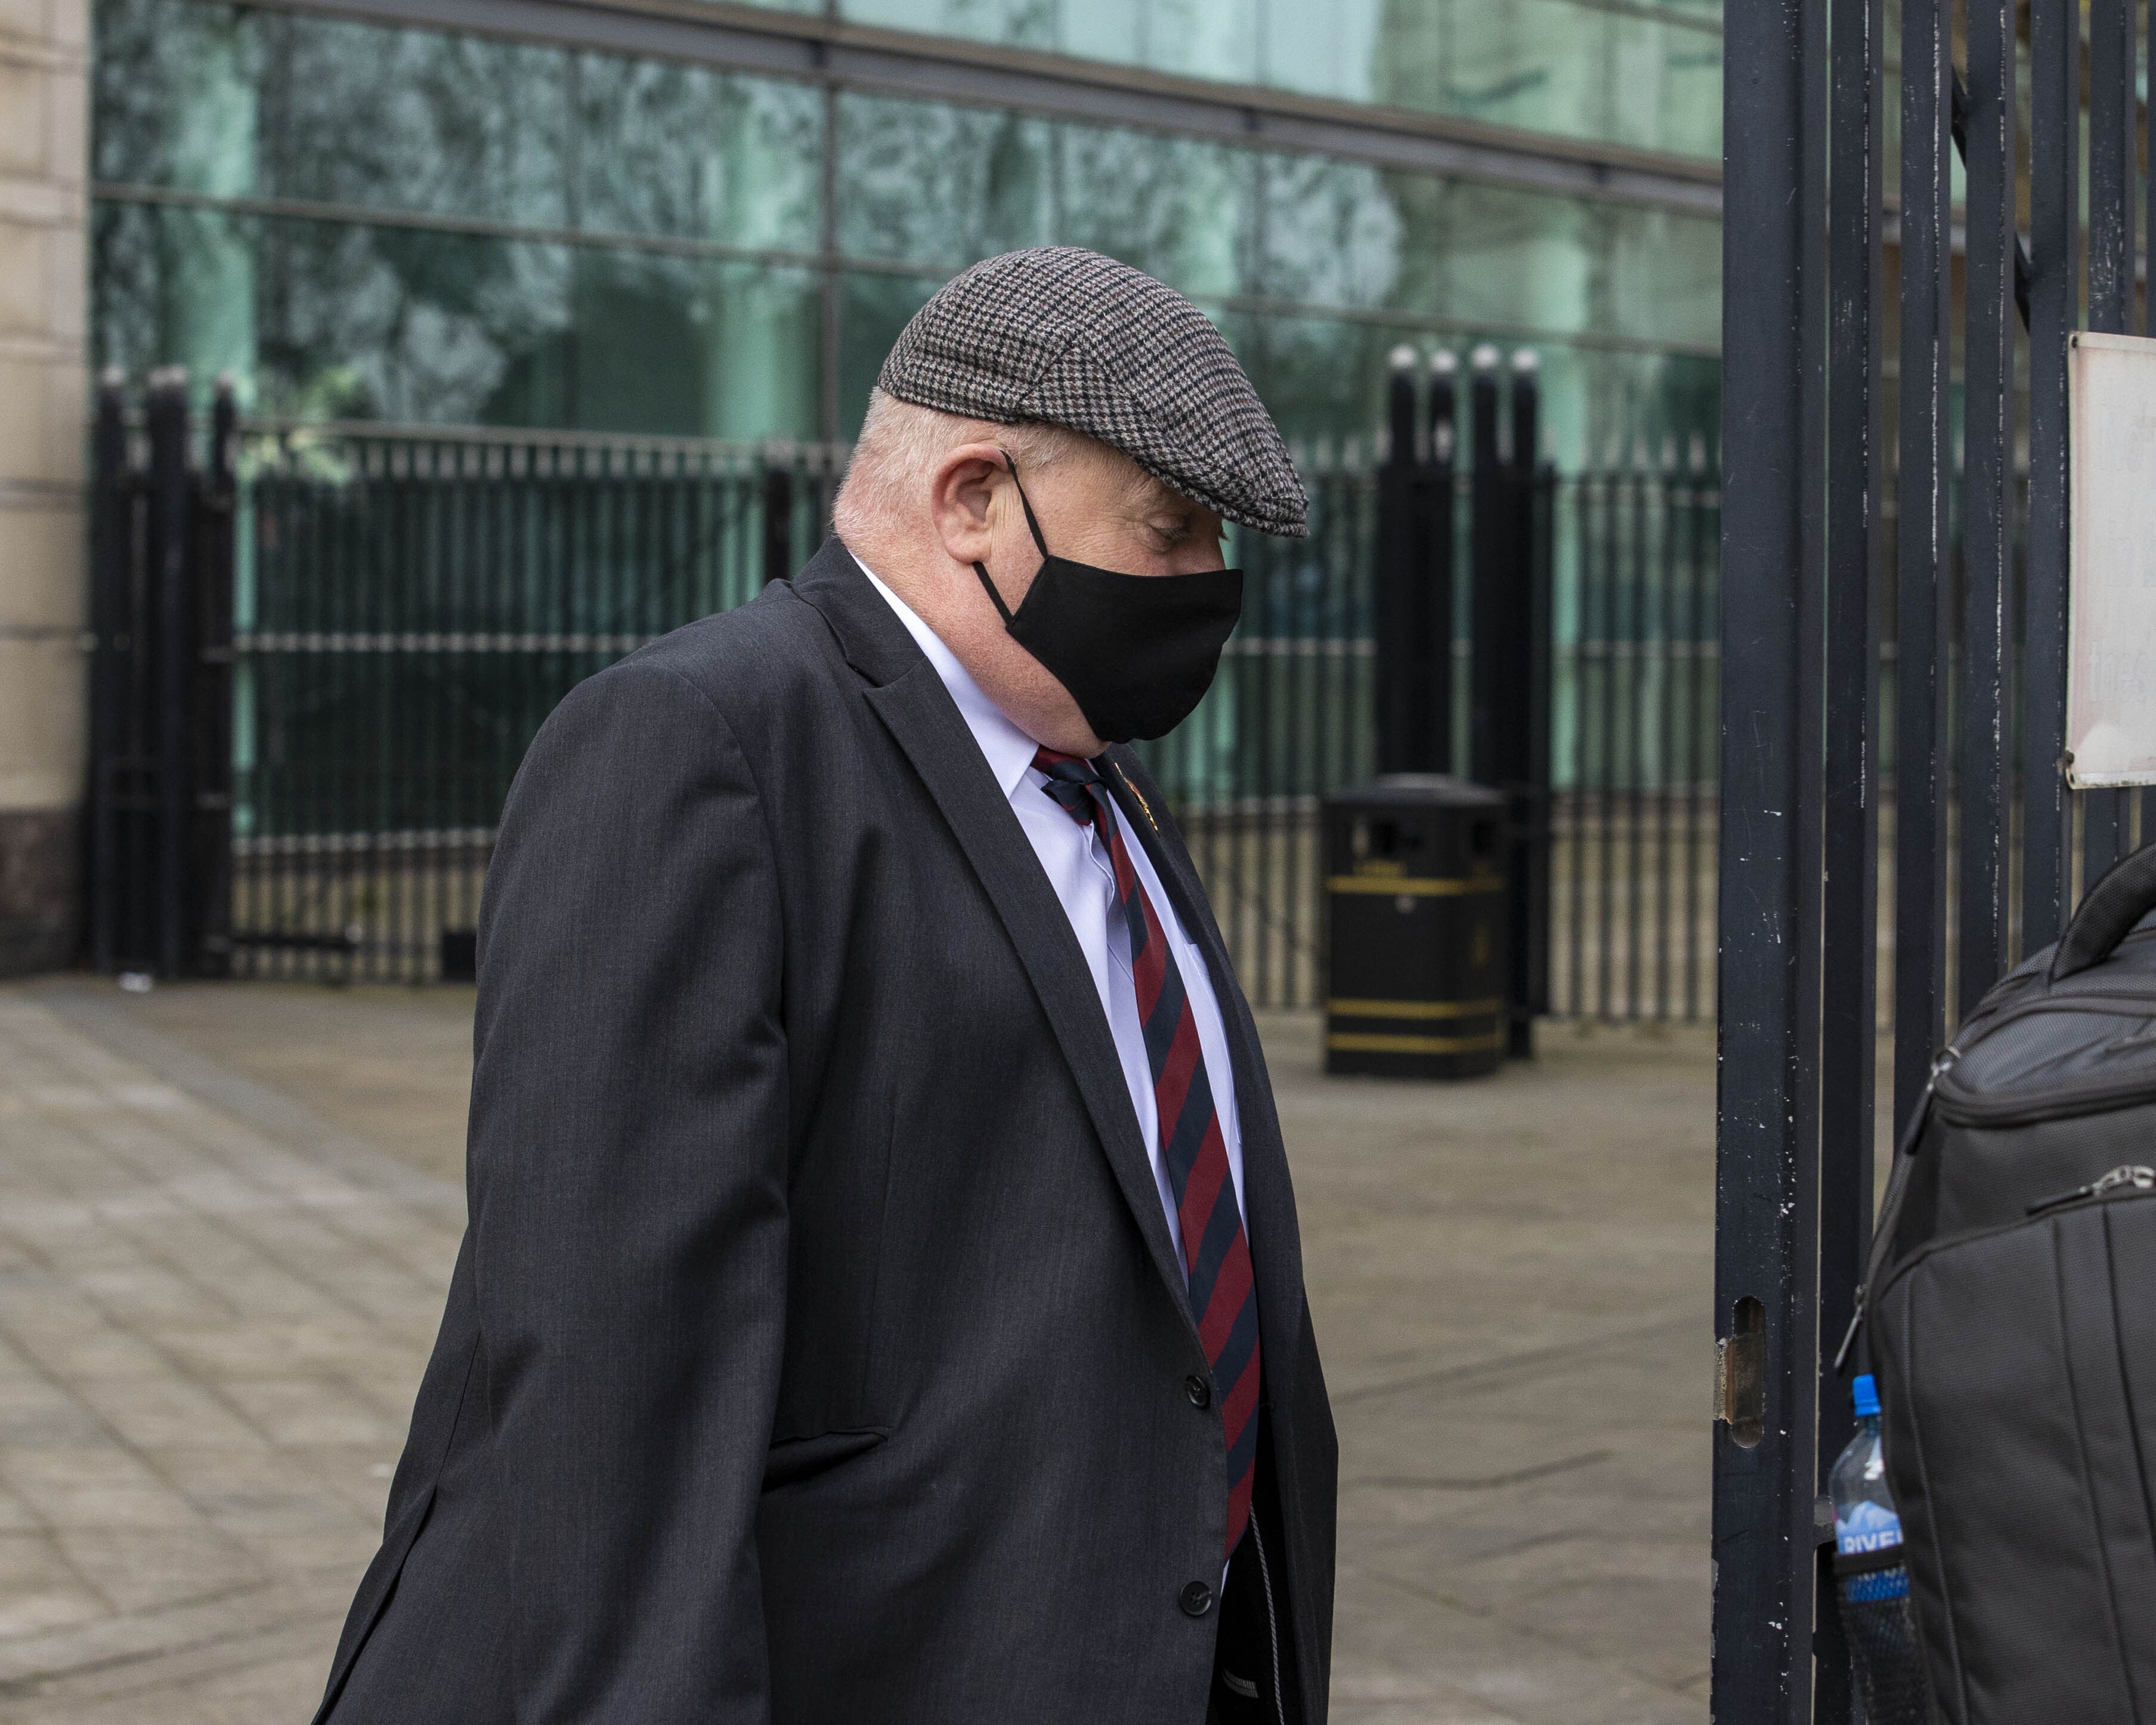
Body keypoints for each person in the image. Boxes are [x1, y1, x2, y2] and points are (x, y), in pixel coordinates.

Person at [311, 246, 1338, 1725]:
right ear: (971, 498)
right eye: (1168, 531)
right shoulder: (696, 745)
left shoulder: (1092, 782)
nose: (1205, 589)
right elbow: (616, 1387)